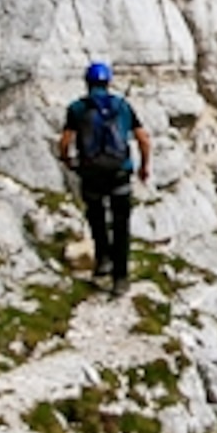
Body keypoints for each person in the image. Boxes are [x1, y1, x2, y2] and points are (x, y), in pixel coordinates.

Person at [56, 60, 151, 291]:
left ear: (87, 83)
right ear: (108, 82)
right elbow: (143, 139)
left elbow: (65, 141)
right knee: (121, 224)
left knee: (96, 218)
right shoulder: (122, 107)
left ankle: (103, 261)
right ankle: (121, 277)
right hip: (119, 173)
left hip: (91, 174)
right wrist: (144, 167)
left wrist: (67, 160)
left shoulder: (77, 108)